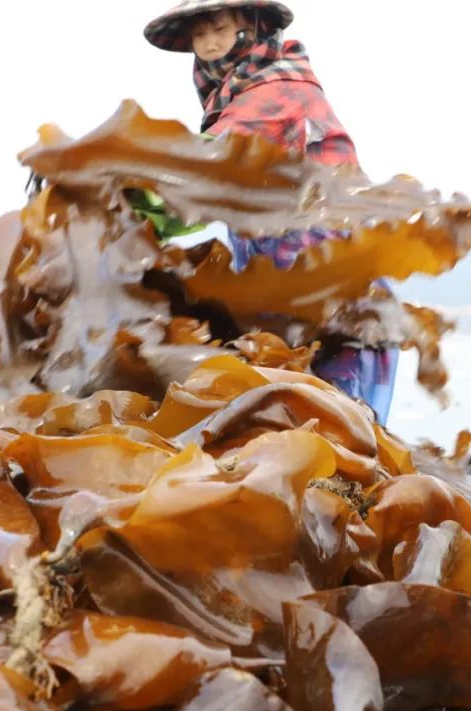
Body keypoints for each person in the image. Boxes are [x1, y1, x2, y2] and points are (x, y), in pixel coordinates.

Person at [144, 0, 398, 424]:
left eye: (218, 28)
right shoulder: (236, 95)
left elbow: (208, 170)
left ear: (249, 24)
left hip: (338, 303)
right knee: (303, 431)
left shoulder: (279, 92)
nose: (208, 43)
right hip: (291, 300)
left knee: (342, 434)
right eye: (199, 34)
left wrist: (111, 187)